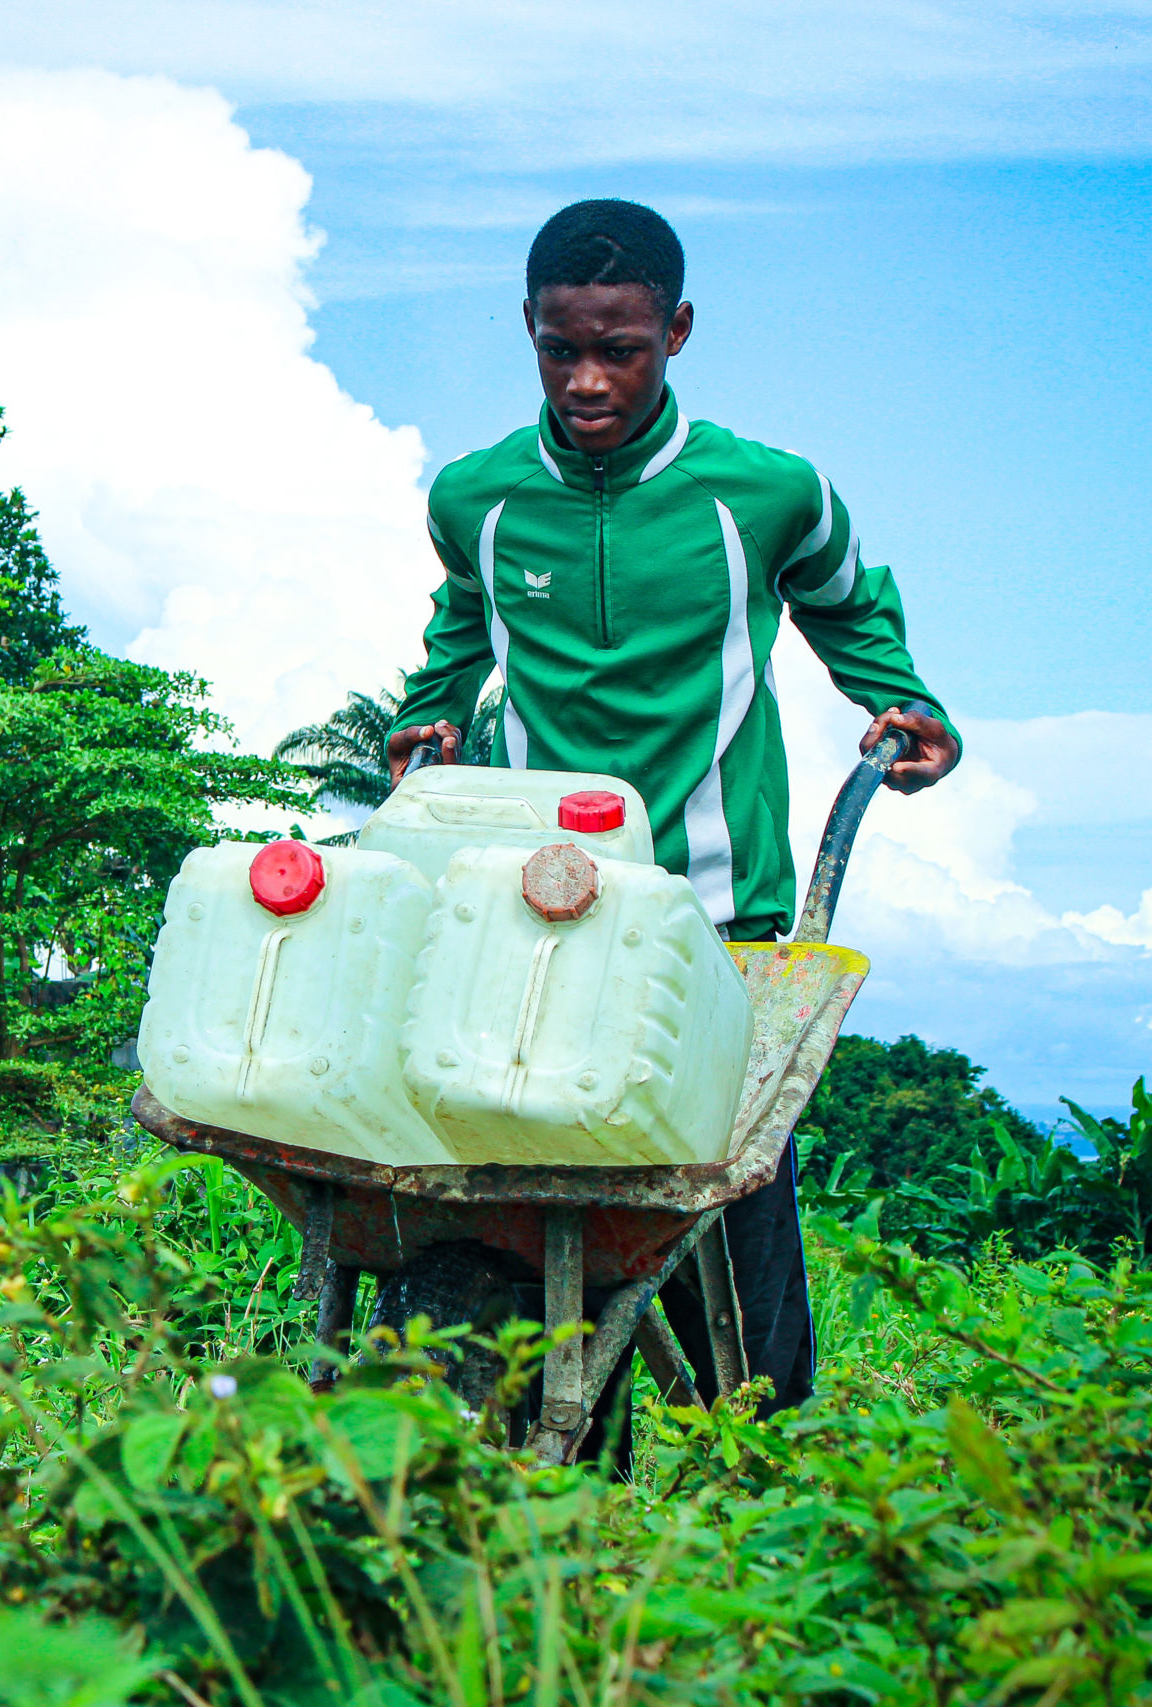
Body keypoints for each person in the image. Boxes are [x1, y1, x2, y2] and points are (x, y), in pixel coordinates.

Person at [384, 198, 960, 1438]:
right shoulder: (477, 498)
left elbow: (849, 604)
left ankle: (758, 1450)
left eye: (622, 348)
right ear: (527, 332)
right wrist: (428, 717)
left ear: (678, 331)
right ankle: (565, 1470)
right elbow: (458, 628)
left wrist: (903, 705)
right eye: (560, 349)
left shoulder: (763, 495)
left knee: (727, 1224)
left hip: (721, 920)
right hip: (536, 911)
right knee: (532, 1188)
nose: (589, 380)